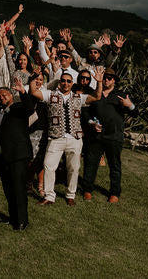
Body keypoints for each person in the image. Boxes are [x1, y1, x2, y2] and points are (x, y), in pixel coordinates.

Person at [31, 66, 104, 205]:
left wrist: (99, 82)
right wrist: (33, 78)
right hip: (55, 138)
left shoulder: (78, 97)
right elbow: (34, 92)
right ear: (60, 83)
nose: (65, 83)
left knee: (73, 168)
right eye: (63, 81)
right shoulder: (50, 95)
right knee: (48, 165)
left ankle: (70, 195)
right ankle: (49, 196)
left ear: (72, 83)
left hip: (74, 139)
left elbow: (97, 96)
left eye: (68, 81)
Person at [80, 68, 137, 203]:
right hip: (96, 135)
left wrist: (130, 106)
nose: (107, 79)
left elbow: (135, 113)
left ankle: (114, 193)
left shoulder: (121, 95)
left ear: (114, 81)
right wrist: (91, 122)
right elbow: (86, 113)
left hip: (114, 136)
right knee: (90, 162)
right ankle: (87, 190)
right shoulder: (95, 94)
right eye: (105, 77)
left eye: (110, 77)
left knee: (114, 165)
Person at [0, 77, 35, 230]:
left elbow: (30, 108)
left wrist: (23, 92)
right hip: (4, 155)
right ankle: (12, 217)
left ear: (12, 95)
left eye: (5, 95)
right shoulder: (0, 111)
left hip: (18, 155)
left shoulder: (18, 108)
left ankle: (22, 220)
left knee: (18, 188)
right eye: (0, 96)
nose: (2, 97)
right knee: (8, 188)